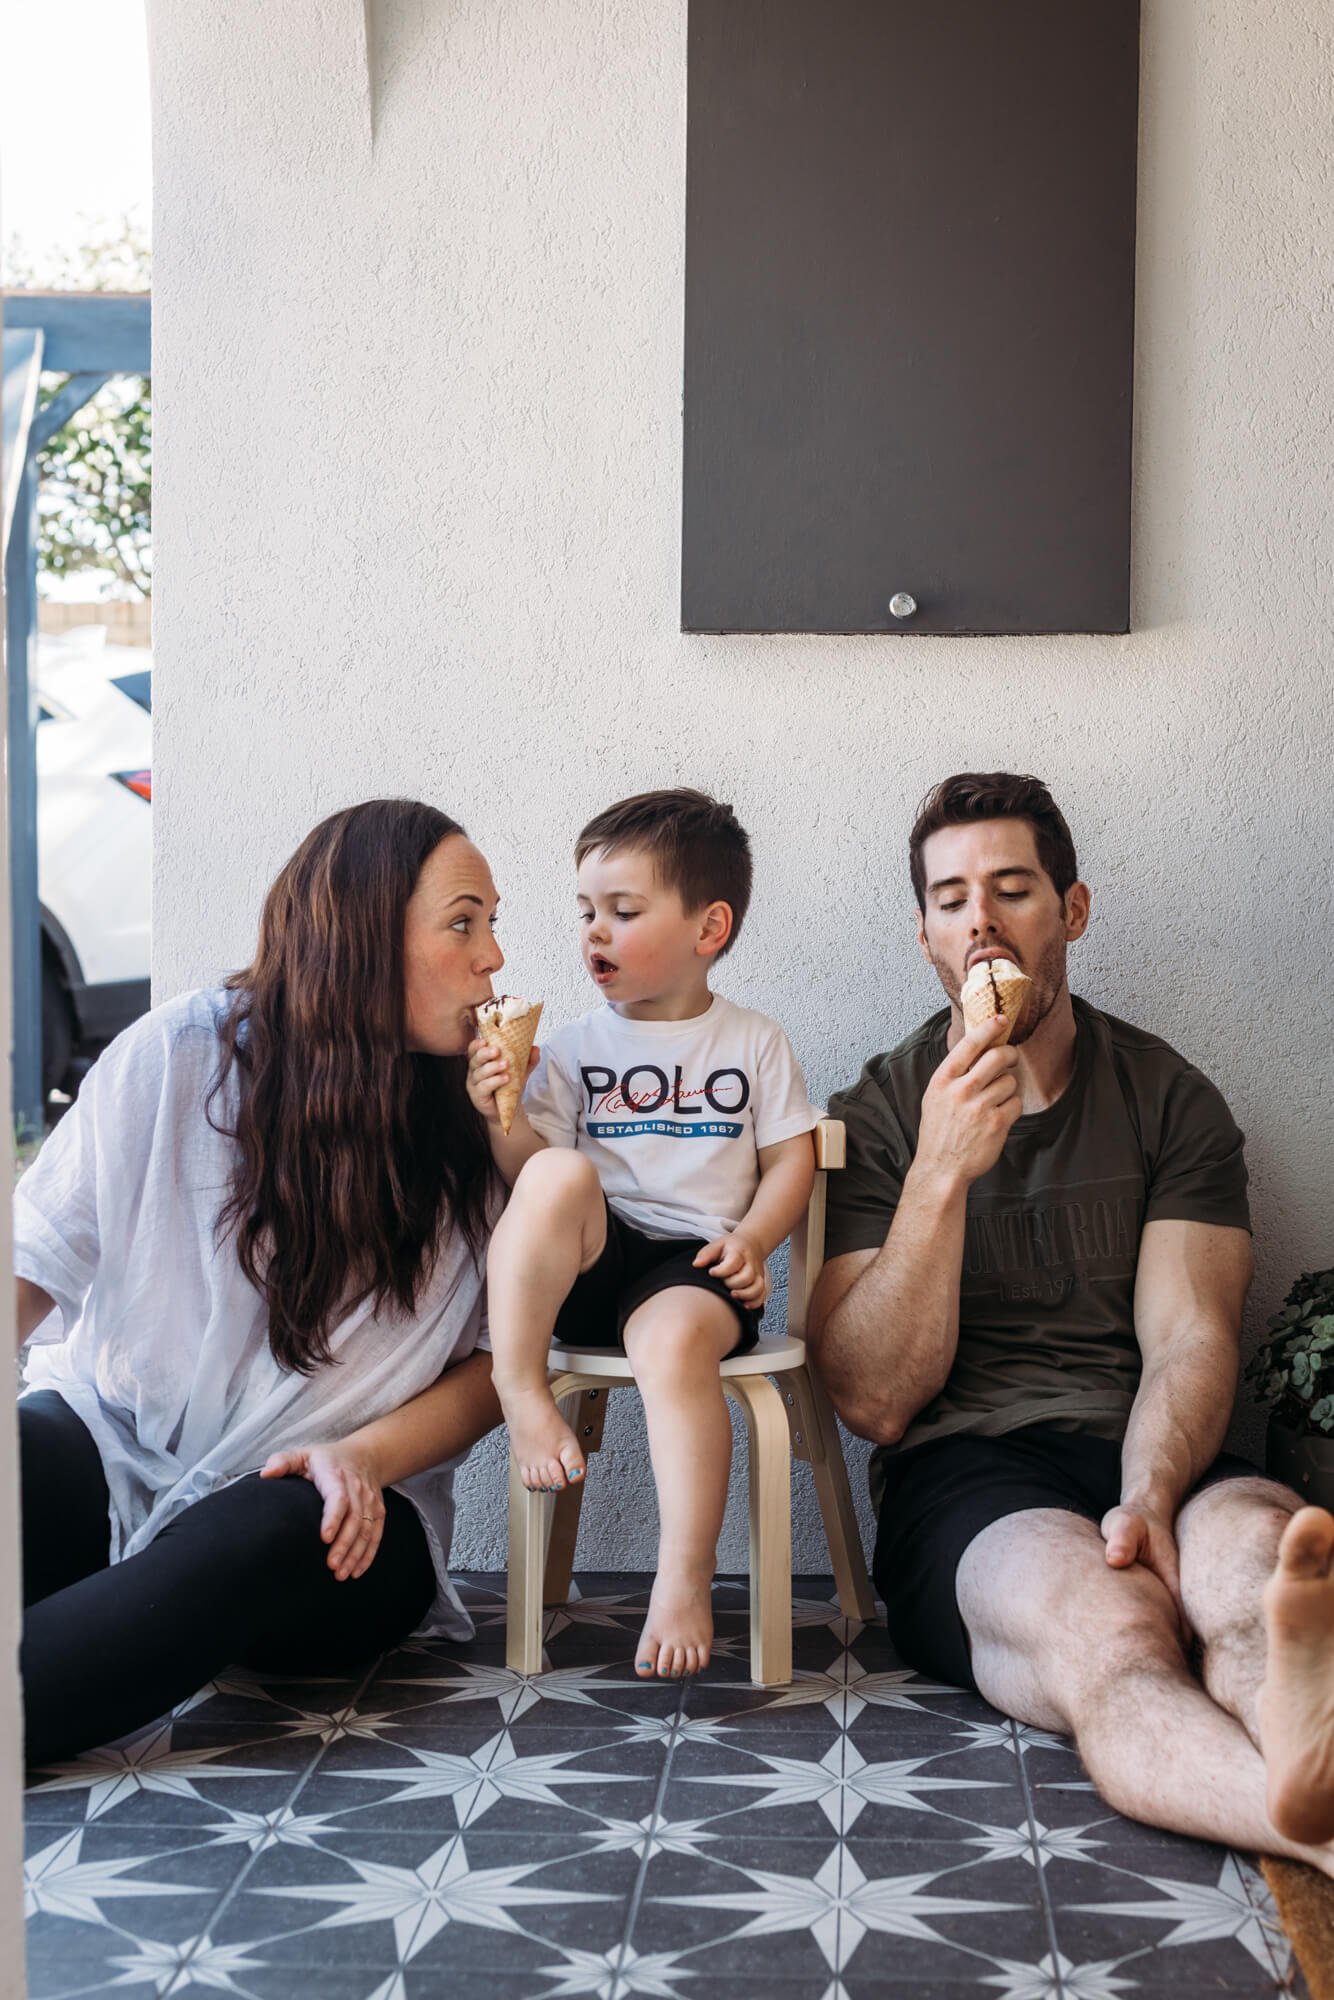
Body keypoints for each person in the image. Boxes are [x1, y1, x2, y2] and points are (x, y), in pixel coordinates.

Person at [809, 771, 1334, 1864]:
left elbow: (1189, 1337)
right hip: (969, 1477)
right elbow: (873, 1400)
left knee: (1252, 1562)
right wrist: (939, 1173)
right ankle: (1305, 1828)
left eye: (1011, 889)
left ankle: (1300, 1735)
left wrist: (1149, 1496)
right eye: (951, 899)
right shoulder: (880, 1110)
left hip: (1155, 1441)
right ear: (924, 936)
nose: (981, 921)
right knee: (1112, 1632)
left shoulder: (1167, 1096)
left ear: (1072, 911)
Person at [15, 798, 509, 1768]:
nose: (493, 956)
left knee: (251, 1531)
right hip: (123, 1443)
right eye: (463, 923)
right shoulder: (179, 1054)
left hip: (340, 1502)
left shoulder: (495, 1116)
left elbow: (506, 1367)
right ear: (362, 935)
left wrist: (362, 1455)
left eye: (492, 924)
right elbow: (35, 1256)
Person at [467, 789, 819, 1680]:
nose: (596, 931)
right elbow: (530, 1178)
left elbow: (793, 1160)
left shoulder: (752, 1042)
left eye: (623, 912)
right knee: (560, 1173)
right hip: (592, 1261)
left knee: (670, 1343)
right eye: (586, 911)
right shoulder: (571, 1047)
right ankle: (518, 1386)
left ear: (709, 928)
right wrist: (498, 1111)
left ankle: (684, 1574)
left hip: (696, 1268)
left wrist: (756, 1239)